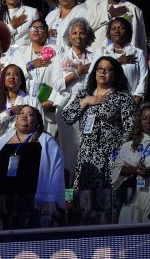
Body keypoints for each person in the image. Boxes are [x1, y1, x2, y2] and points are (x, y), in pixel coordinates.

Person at [63, 56, 135, 225]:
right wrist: (85, 102)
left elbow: (131, 129)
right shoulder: (84, 94)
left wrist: (119, 153)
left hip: (110, 157)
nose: (102, 72)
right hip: (86, 158)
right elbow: (67, 117)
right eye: (99, 68)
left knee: (107, 206)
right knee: (83, 205)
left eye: (108, 69)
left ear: (116, 74)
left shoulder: (122, 97)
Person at [0, 105, 65, 229]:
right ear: (16, 120)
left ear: (37, 121)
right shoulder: (4, 140)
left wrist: (51, 198)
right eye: (22, 113)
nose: (24, 115)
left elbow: (56, 170)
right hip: (3, 200)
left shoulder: (46, 141)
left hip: (31, 203)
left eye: (30, 114)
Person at [52, 17, 95, 184]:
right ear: (69, 37)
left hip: (90, 110)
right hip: (67, 109)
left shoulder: (95, 56)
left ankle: (85, 201)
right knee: (69, 155)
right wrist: (77, 73)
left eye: (82, 33)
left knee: (87, 153)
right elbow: (57, 85)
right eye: (75, 33)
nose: (78, 36)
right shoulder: (61, 58)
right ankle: (68, 199)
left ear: (88, 36)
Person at [12, 19, 62, 135]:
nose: (36, 30)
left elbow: (61, 76)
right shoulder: (20, 52)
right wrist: (30, 66)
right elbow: (12, 74)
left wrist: (52, 100)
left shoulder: (57, 50)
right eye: (33, 28)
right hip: (26, 103)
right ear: (29, 32)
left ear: (47, 32)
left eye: (40, 28)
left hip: (47, 104)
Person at [91, 17, 148, 104]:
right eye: (113, 28)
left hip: (130, 100)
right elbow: (92, 74)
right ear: (109, 33)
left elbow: (143, 78)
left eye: (121, 28)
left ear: (128, 32)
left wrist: (137, 96)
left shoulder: (138, 53)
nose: (117, 31)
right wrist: (118, 61)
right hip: (104, 101)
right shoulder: (101, 52)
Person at [0, 64, 40, 138]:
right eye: (8, 74)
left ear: (22, 80)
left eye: (16, 74)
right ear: (3, 79)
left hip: (25, 144)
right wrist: (8, 113)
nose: (11, 77)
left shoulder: (33, 101)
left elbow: (39, 127)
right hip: (1, 145)